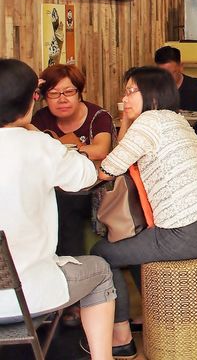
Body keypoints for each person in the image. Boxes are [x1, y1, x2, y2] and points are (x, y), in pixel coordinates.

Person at [91, 66, 197, 356]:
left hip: (186, 232)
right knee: (136, 243)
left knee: (103, 253)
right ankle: (154, 314)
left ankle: (121, 337)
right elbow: (124, 155)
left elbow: (109, 168)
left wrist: (126, 122)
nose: (124, 98)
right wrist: (128, 119)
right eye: (125, 91)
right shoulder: (175, 120)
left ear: (152, 94)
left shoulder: (149, 123)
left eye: (131, 91)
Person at [0, 59, 115, 360]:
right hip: (27, 296)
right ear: (32, 100)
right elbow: (86, 175)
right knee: (101, 272)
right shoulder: (39, 146)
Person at [32, 63, 115, 327]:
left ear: (80, 93)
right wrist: (76, 148)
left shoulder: (97, 116)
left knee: (65, 207)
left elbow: (101, 149)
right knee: (56, 205)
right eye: (54, 94)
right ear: (44, 98)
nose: (62, 99)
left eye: (69, 92)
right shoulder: (40, 120)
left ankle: (72, 299)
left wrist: (60, 147)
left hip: (95, 189)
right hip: (58, 188)